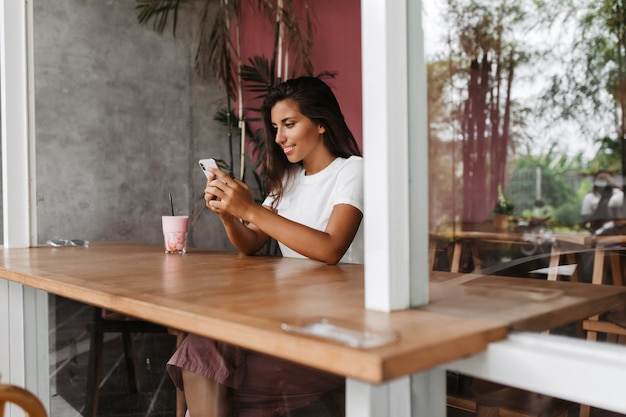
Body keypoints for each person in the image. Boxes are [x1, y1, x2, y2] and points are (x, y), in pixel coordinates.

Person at [167, 76, 364, 417]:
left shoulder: (353, 171)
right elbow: (252, 243)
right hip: (287, 317)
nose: (279, 138)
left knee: (229, 383)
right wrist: (229, 213)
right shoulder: (288, 180)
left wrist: (251, 209)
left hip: (338, 325)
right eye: (275, 127)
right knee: (200, 349)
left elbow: (331, 249)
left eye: (289, 124)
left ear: (320, 123)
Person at [580, 170, 624, 234]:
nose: (604, 182)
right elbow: (586, 218)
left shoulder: (618, 194)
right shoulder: (590, 197)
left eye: (606, 179)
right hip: (599, 231)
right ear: (595, 181)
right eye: (601, 179)